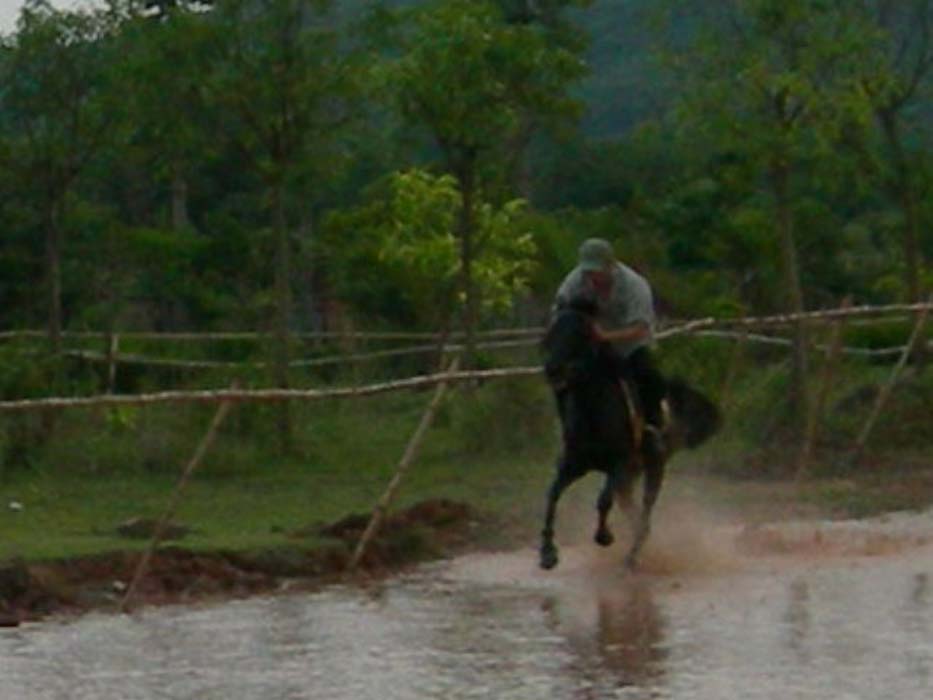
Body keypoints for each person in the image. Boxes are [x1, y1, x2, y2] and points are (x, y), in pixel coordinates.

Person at [552, 237, 668, 457]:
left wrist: (606, 335)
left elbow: (641, 328)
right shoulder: (573, 283)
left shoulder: (635, 286)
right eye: (588, 272)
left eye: (596, 271)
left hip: (629, 346)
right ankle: (570, 430)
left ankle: (652, 429)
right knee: (564, 377)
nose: (592, 277)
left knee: (650, 379)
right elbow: (560, 314)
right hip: (592, 346)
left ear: (610, 266)